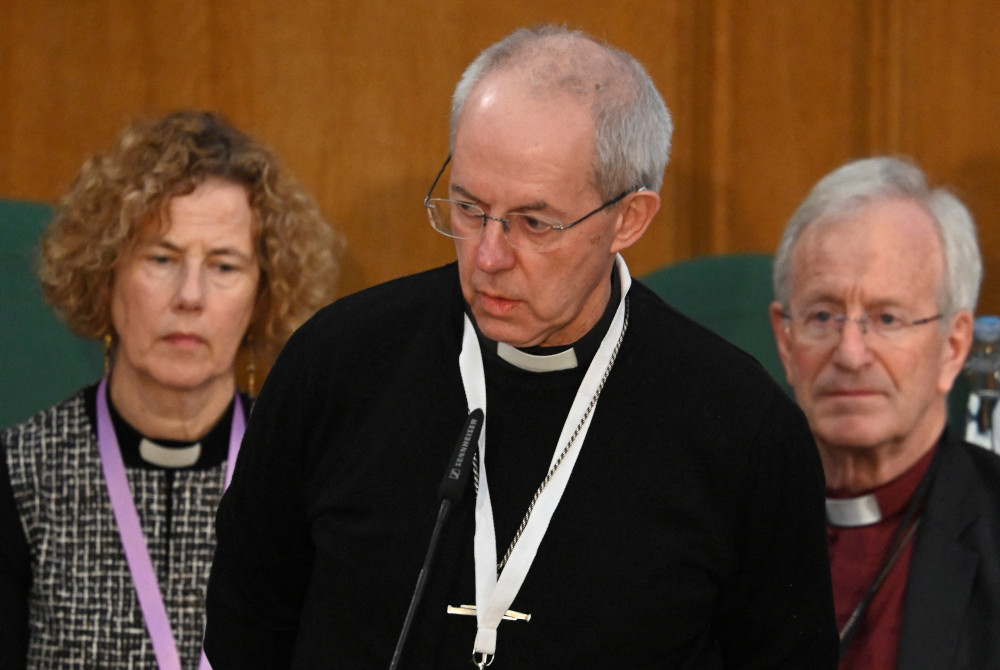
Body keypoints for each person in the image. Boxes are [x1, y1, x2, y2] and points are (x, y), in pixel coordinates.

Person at [205, 25, 838, 668]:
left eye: (535, 223)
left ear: (629, 218)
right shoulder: (337, 364)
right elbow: (246, 619)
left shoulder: (742, 428)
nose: (489, 256)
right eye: (469, 208)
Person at [0, 110, 339, 669]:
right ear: (105, 272)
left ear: (263, 295)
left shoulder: (308, 478)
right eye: (162, 258)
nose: (190, 296)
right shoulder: (19, 473)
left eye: (224, 266)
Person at [769, 156, 1000, 669]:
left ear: (954, 347)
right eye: (823, 315)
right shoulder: (712, 517)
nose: (850, 353)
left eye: (887, 318)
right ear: (786, 342)